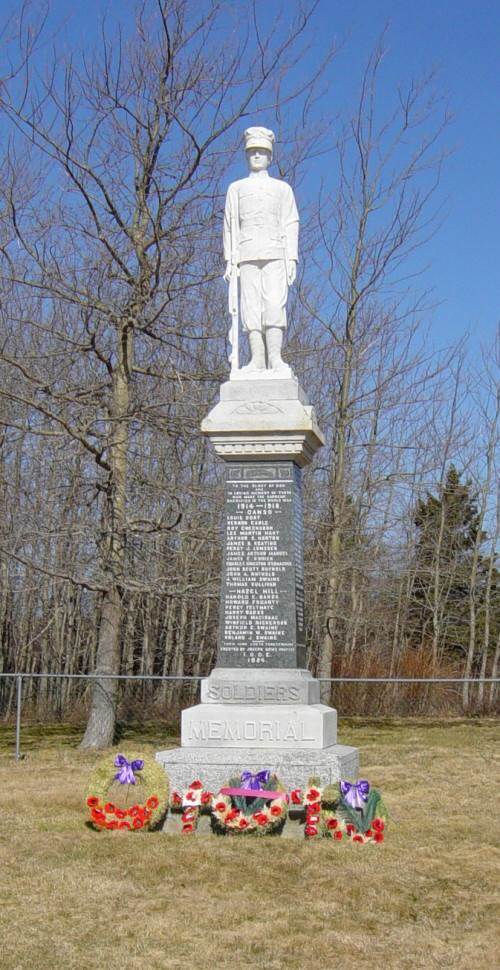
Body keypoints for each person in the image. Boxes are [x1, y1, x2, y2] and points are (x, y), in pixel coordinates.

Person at [223, 126, 299, 375]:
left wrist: (291, 257)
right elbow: (229, 225)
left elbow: (291, 221)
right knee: (251, 308)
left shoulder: (282, 189)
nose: (256, 155)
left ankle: (275, 358)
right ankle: (257, 359)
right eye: (253, 151)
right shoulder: (236, 189)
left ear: (270, 156)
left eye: (261, 152)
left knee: (274, 305)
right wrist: (228, 259)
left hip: (275, 252)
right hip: (245, 254)